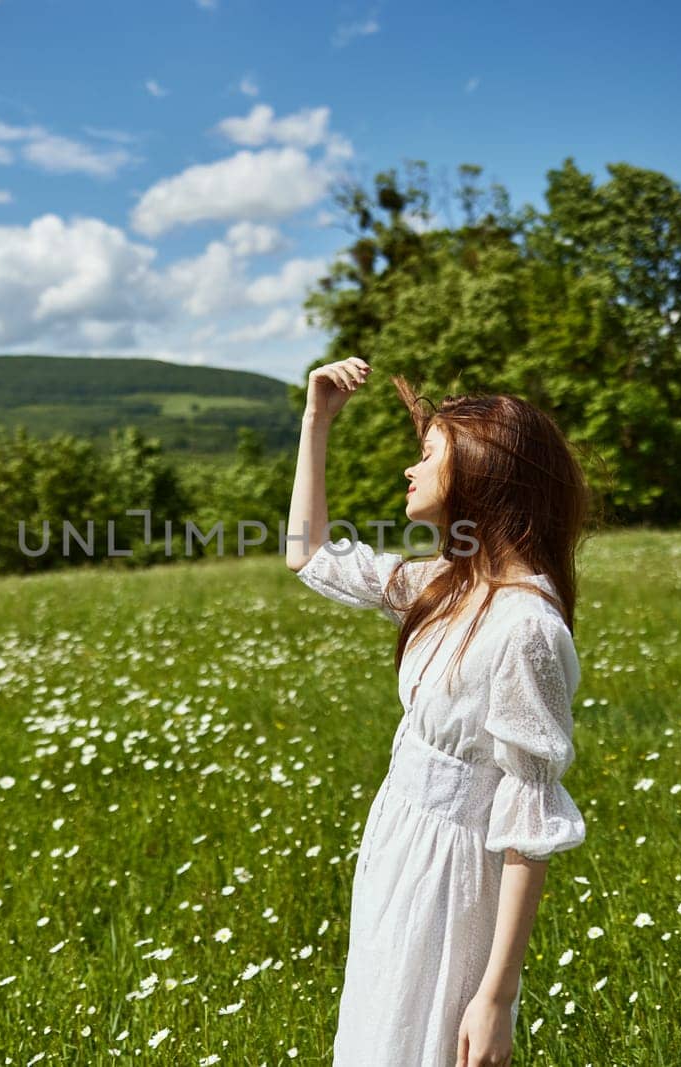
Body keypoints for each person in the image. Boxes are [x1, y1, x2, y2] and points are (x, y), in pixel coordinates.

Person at [285, 356, 592, 1067]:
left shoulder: (525, 627)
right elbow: (309, 556)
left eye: (428, 454)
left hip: (451, 876)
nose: (410, 470)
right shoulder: (450, 582)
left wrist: (496, 996)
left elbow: (528, 824)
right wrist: (316, 420)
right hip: (400, 843)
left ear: (481, 474)